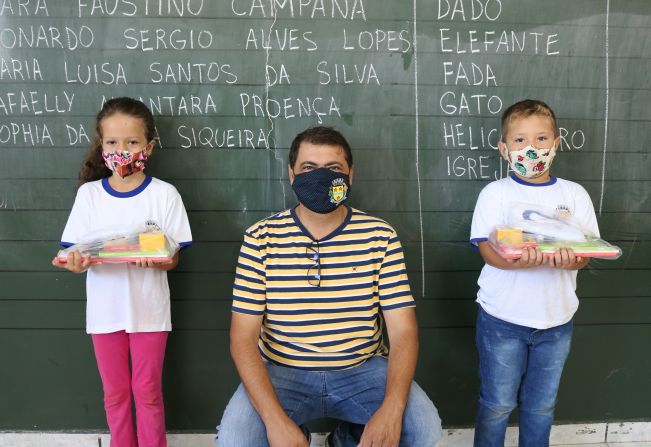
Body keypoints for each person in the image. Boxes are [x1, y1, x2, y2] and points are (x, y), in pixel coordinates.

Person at [217, 126, 441, 447]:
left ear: (351, 174)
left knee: (422, 428)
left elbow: (404, 331)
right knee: (236, 440)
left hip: (363, 368)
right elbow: (242, 337)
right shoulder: (261, 238)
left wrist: (392, 408)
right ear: (292, 174)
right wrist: (274, 421)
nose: (321, 178)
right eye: (309, 168)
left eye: (333, 169)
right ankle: (300, 434)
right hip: (283, 370)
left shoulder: (379, 236)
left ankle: (346, 439)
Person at [52, 97, 192, 447]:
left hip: (149, 313)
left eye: (132, 142)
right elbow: (74, 255)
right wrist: (74, 263)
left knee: (147, 393)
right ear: (101, 145)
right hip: (104, 313)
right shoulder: (89, 196)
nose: (122, 150)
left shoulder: (164, 195)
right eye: (112, 142)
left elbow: (174, 258)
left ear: (149, 146)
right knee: (115, 395)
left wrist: (160, 259)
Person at [469, 99, 599, 447]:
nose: (531, 148)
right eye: (519, 140)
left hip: (556, 321)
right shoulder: (495, 193)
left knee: (541, 407)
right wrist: (510, 260)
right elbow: (486, 249)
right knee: (497, 404)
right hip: (502, 319)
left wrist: (573, 260)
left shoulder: (574, 194)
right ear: (504, 148)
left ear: (556, 144)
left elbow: (584, 255)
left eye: (541, 139)